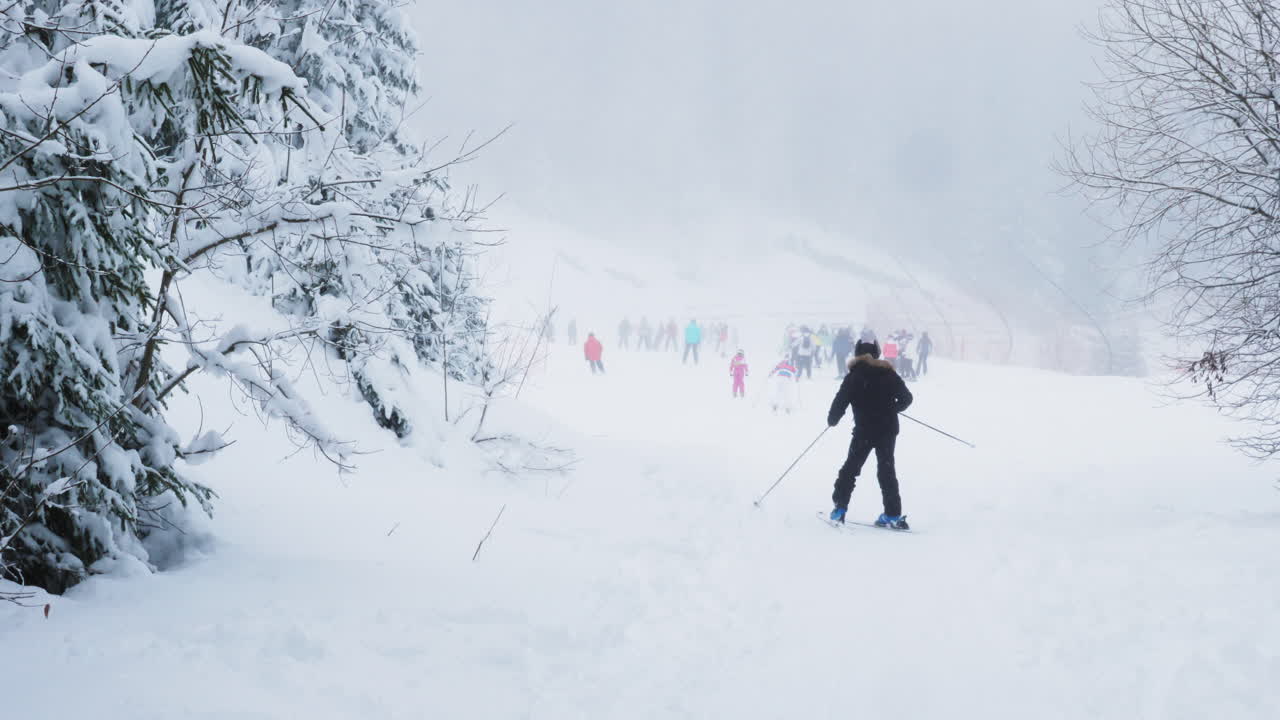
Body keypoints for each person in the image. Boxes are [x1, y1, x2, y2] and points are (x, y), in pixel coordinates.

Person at [826, 341, 913, 530]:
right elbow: (907, 398)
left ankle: (840, 509)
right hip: (887, 430)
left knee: (850, 469)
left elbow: (840, 400)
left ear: (857, 354)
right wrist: (892, 409)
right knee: (886, 470)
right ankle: (892, 514)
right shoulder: (889, 373)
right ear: (877, 354)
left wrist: (833, 419)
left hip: (864, 431)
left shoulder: (855, 376)